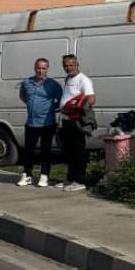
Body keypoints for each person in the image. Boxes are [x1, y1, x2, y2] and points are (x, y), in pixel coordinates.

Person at [16, 57, 61, 188]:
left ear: (47, 69)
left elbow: (60, 100)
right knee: (28, 151)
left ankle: (44, 176)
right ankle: (27, 175)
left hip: (47, 123)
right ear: (34, 68)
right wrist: (32, 105)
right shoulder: (26, 83)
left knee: (45, 150)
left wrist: (50, 108)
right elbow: (23, 96)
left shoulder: (53, 84)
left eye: (43, 68)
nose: (40, 71)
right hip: (31, 123)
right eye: (38, 68)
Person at [56, 53, 96, 191]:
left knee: (78, 151)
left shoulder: (84, 80)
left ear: (77, 65)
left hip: (77, 121)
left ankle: (79, 181)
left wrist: (77, 106)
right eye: (65, 66)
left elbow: (91, 99)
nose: (68, 68)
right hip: (65, 121)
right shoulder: (68, 78)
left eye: (71, 65)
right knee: (69, 151)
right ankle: (70, 179)